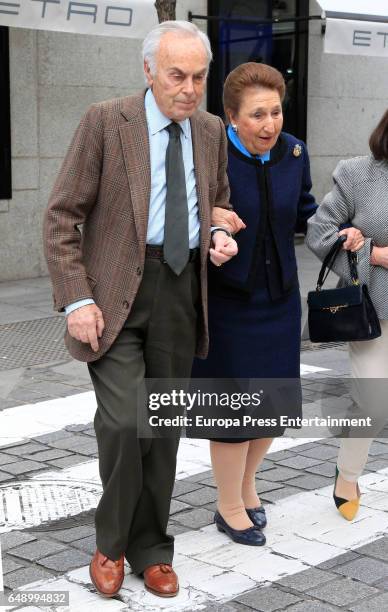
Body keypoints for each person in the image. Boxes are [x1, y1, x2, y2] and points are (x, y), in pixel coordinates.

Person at [43, 20, 238, 599]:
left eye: (199, 76)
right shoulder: (107, 121)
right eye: (177, 75)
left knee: (164, 428)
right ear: (148, 70)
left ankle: (152, 548)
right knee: (127, 420)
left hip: (181, 291)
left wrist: (219, 232)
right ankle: (110, 542)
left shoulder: (209, 129)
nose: (189, 88)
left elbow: (216, 201)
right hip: (113, 299)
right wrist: (77, 297)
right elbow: (61, 216)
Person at [192, 62, 318, 545]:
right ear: (230, 117)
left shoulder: (293, 151)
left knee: (272, 402)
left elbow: (306, 209)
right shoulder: (212, 154)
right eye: (257, 115)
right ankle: (227, 505)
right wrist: (212, 224)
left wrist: (344, 227)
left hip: (280, 298)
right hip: (229, 302)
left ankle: (246, 488)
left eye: (276, 112)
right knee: (232, 409)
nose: (270, 125)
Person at [306, 109, 388, 521]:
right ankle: (348, 474)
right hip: (375, 310)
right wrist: (372, 252)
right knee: (375, 401)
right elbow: (320, 233)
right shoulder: (357, 174)